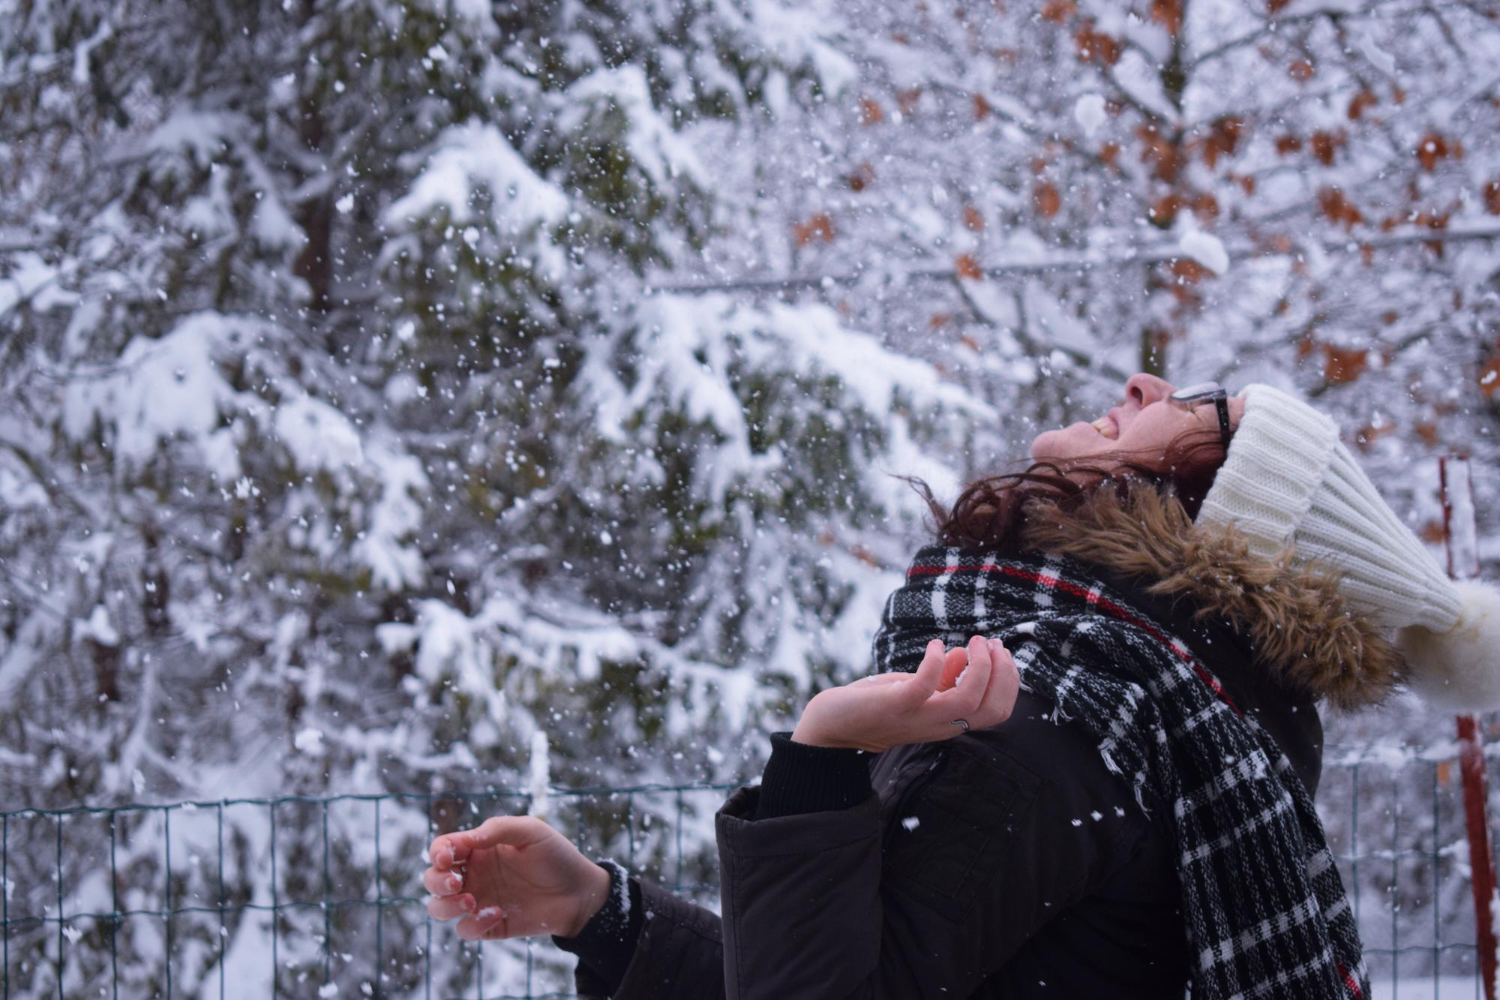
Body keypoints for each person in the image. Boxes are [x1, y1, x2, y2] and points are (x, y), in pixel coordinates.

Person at [420, 375, 1500, 999]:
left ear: (1220, 514)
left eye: (1201, 405)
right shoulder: (1184, 734)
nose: (1142, 386)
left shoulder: (1071, 721)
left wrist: (820, 752)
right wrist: (607, 918)